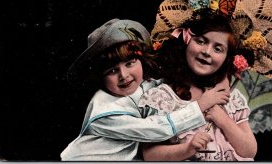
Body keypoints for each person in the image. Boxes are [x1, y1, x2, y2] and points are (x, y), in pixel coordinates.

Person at [60, 19, 230, 161]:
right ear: (100, 77)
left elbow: (172, 81)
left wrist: (223, 79)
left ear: (142, 60)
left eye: (130, 63)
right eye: (112, 71)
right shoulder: (104, 110)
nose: (124, 76)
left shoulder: (145, 86)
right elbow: (154, 130)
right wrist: (200, 106)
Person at [139, 14, 258, 161]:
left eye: (218, 49)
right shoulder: (163, 99)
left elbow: (249, 151)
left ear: (227, 58)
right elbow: (149, 155)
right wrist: (187, 149)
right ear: (186, 41)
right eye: (201, 41)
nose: (207, 52)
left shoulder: (231, 98)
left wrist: (223, 119)